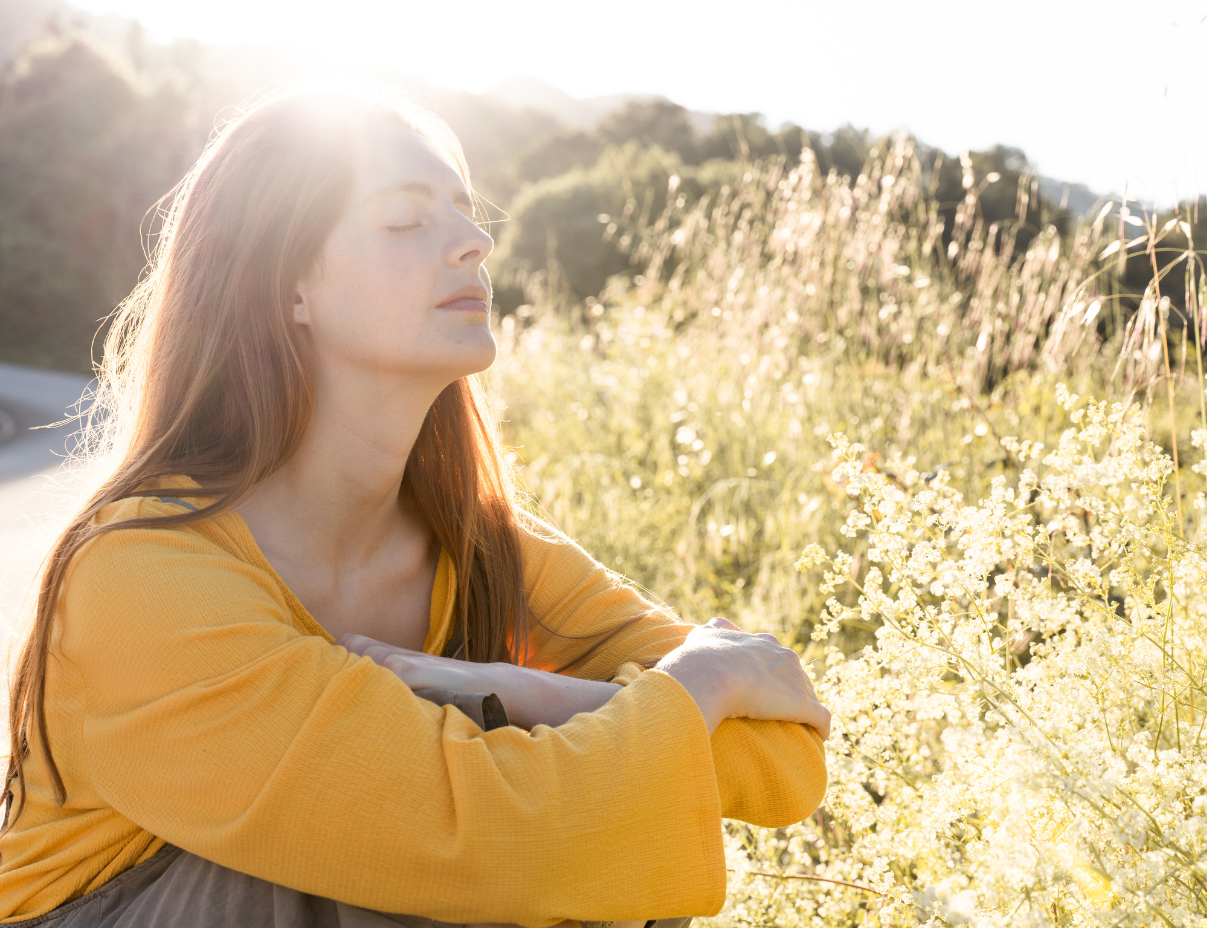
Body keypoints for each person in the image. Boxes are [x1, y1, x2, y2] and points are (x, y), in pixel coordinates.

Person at [0, 87, 831, 928]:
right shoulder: (142, 575)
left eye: (468, 217)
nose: (476, 244)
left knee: (603, 806)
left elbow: (790, 758)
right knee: (456, 851)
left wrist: (521, 691)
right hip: (113, 909)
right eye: (406, 222)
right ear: (286, 286)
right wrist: (688, 691)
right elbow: (499, 841)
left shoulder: (481, 550)